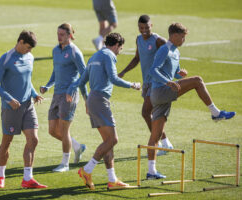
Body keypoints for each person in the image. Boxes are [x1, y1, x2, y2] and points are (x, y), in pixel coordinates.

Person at [147, 23, 236, 179]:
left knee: (156, 135)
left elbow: (173, 73)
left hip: (163, 94)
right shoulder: (164, 49)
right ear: (173, 35)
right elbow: (153, 70)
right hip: (160, 91)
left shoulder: (176, 52)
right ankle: (215, 113)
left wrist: (180, 74)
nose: (183, 40)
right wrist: (168, 82)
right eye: (182, 37)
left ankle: (151, 171)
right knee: (197, 81)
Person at [66, 33, 141, 190]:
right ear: (116, 45)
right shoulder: (109, 55)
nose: (119, 52)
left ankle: (112, 180)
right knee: (113, 140)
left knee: (108, 143)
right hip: (100, 100)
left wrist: (87, 101)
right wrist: (132, 85)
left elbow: (81, 82)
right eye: (120, 49)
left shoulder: (94, 56)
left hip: (94, 99)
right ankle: (87, 170)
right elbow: (114, 78)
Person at [0, 30, 47, 188]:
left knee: (34, 139)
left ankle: (27, 178)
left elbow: (27, 80)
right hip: (11, 108)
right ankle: (1, 176)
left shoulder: (30, 57)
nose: (29, 51)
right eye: (28, 47)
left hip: (27, 105)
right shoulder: (6, 58)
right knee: (7, 142)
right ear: (20, 42)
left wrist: (34, 94)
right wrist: (8, 99)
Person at [118, 15, 173, 154]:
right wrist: (124, 71)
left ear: (151, 26)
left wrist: (173, 74)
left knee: (145, 112)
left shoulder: (159, 41)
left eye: (147, 27)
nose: (144, 30)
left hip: (157, 83)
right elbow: (137, 58)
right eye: (141, 28)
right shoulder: (138, 39)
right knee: (153, 114)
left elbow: (171, 57)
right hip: (147, 83)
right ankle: (165, 143)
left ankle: (160, 143)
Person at [40, 23, 88, 172]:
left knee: (64, 129)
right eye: (58, 34)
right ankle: (77, 146)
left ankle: (65, 164)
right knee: (52, 130)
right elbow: (56, 72)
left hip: (69, 96)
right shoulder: (55, 50)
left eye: (62, 34)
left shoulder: (75, 52)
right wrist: (48, 85)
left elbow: (85, 75)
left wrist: (86, 99)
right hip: (57, 94)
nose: (59, 37)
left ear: (69, 35)